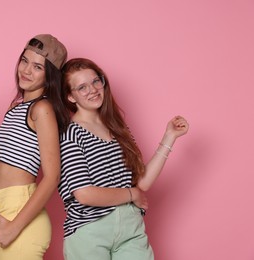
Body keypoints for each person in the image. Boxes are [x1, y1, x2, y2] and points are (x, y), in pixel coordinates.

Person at [58, 58, 189, 260]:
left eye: (95, 81)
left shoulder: (117, 128)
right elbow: (84, 194)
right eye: (82, 87)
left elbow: (142, 182)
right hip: (89, 230)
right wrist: (131, 194)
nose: (92, 90)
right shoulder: (70, 133)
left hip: (131, 228)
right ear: (70, 97)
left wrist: (169, 137)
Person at [0, 34, 68, 260]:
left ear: (49, 76)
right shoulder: (15, 109)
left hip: (20, 214)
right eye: (24, 61)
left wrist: (14, 227)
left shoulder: (42, 109)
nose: (26, 70)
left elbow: (53, 176)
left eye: (37, 67)